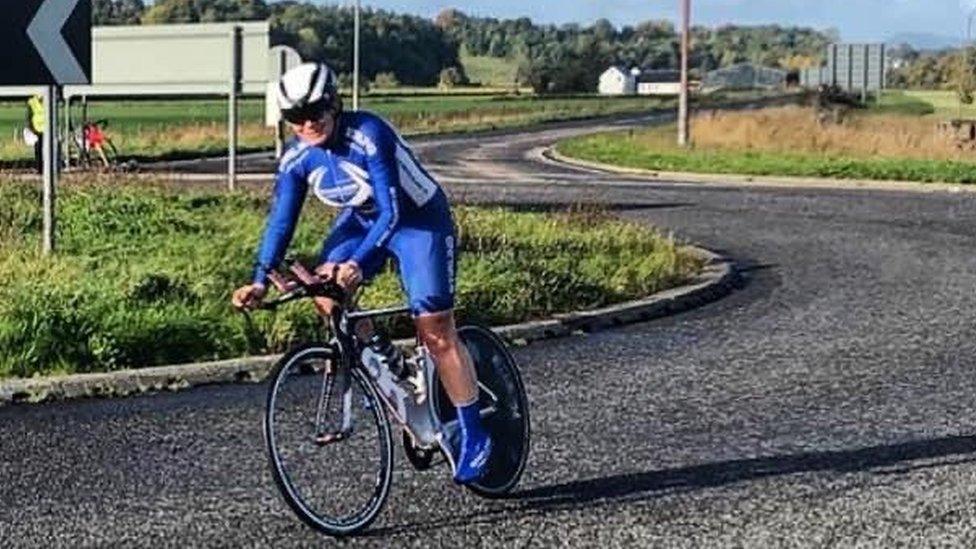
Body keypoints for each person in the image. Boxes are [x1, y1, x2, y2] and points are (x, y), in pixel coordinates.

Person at [231, 63, 492, 484]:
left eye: (316, 111)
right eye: (295, 117)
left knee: (436, 328)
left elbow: (392, 212)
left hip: (417, 220)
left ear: (334, 103)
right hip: (362, 220)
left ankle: (475, 433)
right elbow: (280, 223)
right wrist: (260, 279)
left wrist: (358, 264)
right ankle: (386, 358)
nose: (308, 123)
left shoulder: (369, 133)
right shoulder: (297, 157)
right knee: (323, 289)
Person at [26, 94, 45, 174]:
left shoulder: (48, 98)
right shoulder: (31, 102)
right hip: (37, 129)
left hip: (46, 128)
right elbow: (29, 115)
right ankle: (40, 168)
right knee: (38, 149)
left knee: (45, 149)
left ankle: (44, 167)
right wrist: (31, 127)